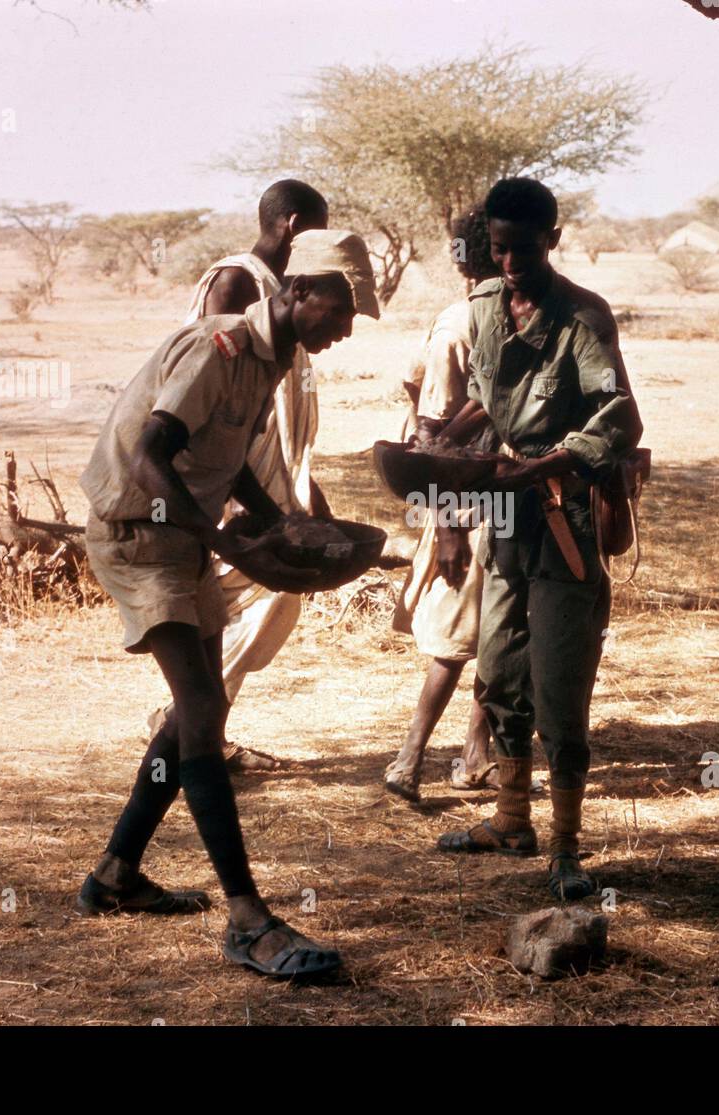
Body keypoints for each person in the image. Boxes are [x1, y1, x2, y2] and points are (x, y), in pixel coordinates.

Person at [76, 229, 380, 978]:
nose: (343, 330)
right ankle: (248, 919)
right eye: (338, 312)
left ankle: (115, 875)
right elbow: (152, 456)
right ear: (298, 291)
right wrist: (228, 540)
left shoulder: (274, 360)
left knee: (192, 716)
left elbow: (234, 455)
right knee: (206, 713)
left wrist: (277, 521)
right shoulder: (218, 349)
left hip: (180, 541)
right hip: (138, 536)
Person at [435, 178, 643, 902]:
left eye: (524, 248)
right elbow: (484, 402)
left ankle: (565, 844)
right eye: (499, 249)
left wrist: (553, 462)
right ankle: (511, 819)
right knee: (498, 665)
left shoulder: (584, 315)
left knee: (560, 679)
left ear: (553, 240)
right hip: (504, 520)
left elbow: (621, 417)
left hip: (565, 520)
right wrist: (442, 441)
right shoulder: (485, 305)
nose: (511, 262)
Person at [145, 180, 332, 773]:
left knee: (270, 599)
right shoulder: (236, 281)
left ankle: (198, 730)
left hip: (266, 467)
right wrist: (237, 487)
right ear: (292, 223)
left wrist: (301, 486)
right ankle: (189, 730)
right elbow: (215, 389)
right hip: (225, 473)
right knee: (250, 593)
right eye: (316, 233)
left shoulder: (287, 291)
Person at [384, 206, 503, 802]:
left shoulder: (513, 315)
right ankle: (409, 759)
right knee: (455, 640)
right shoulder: (462, 323)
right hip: (469, 504)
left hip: (511, 497)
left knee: (499, 636)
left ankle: (475, 754)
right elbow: (432, 430)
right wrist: (449, 524)